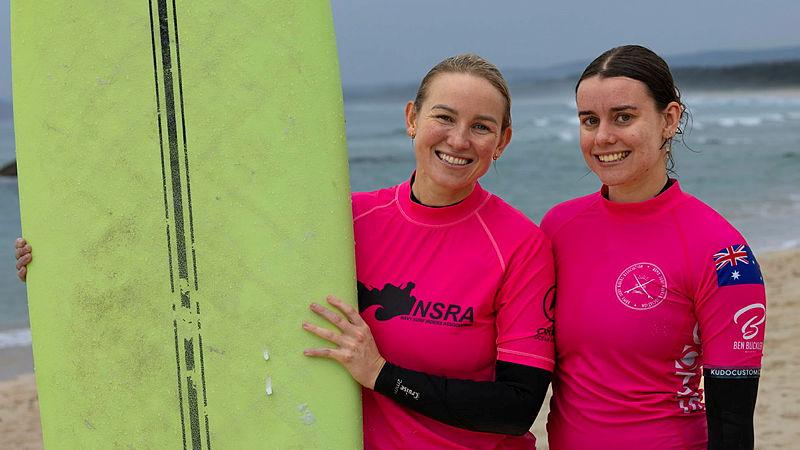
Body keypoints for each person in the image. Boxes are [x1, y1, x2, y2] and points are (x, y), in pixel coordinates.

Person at [16, 54, 556, 449]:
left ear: (502, 142)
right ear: (413, 118)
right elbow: (207, 264)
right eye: (444, 117)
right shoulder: (340, 219)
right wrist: (62, 260)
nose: (459, 139)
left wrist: (381, 374)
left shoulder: (517, 245)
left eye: (481, 127)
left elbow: (516, 410)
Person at [540, 45, 766, 450]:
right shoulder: (558, 228)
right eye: (589, 120)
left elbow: (732, 423)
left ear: (669, 119)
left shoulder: (724, 255)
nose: (603, 136)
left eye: (624, 117)